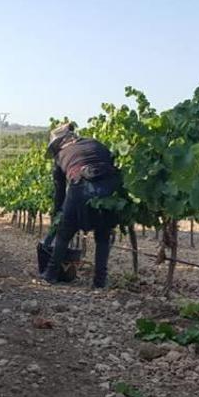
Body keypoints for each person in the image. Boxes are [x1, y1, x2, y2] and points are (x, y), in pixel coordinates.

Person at [42, 122, 120, 288]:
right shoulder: (96, 143)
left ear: (61, 143)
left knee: (65, 233)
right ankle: (99, 282)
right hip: (109, 187)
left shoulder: (60, 156)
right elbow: (114, 164)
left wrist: (58, 212)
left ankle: (51, 274)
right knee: (103, 235)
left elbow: (60, 189)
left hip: (80, 185)